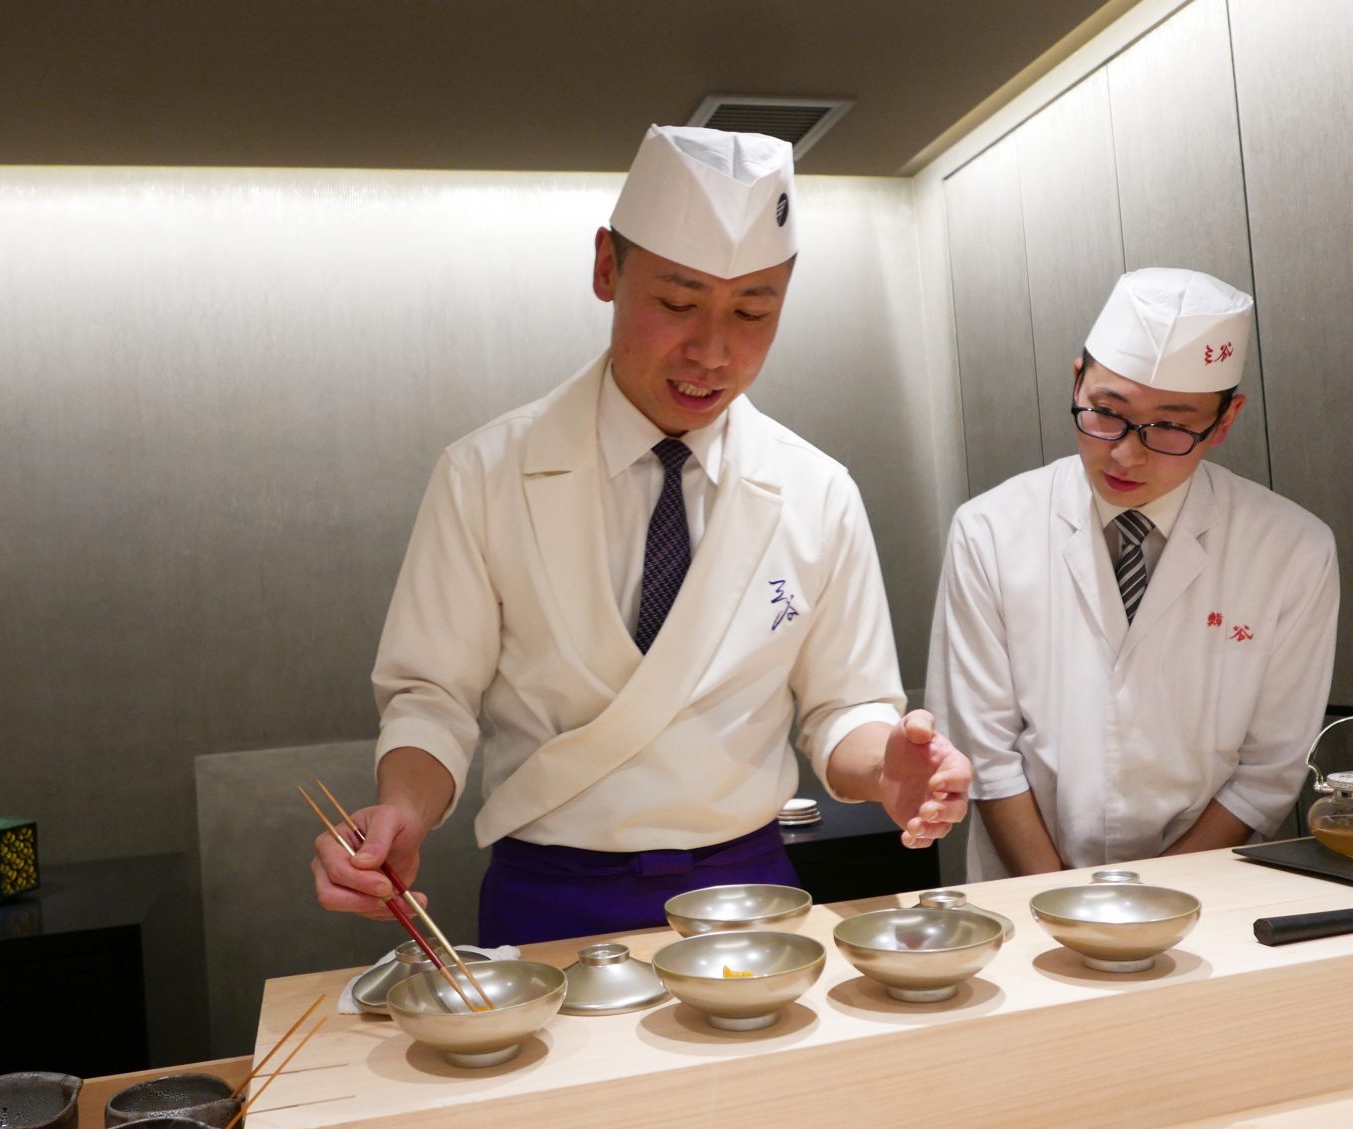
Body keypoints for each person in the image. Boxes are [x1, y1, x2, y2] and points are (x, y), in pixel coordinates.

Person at [313, 125, 972, 943]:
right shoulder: (483, 473)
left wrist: (887, 770)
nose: (712, 350)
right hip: (549, 893)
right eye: (676, 302)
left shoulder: (816, 491)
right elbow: (432, 700)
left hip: (748, 892)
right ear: (605, 268)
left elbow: (844, 708)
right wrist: (402, 808)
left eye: (752, 311)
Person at [925, 268, 1339, 880]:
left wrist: (1156, 898)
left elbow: (1268, 769)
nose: (1126, 453)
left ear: (1224, 422)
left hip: (1207, 895)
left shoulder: (1291, 547)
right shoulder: (989, 529)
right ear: (1077, 381)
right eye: (1106, 413)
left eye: (1171, 425)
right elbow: (984, 753)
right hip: (1026, 890)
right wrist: (1064, 898)